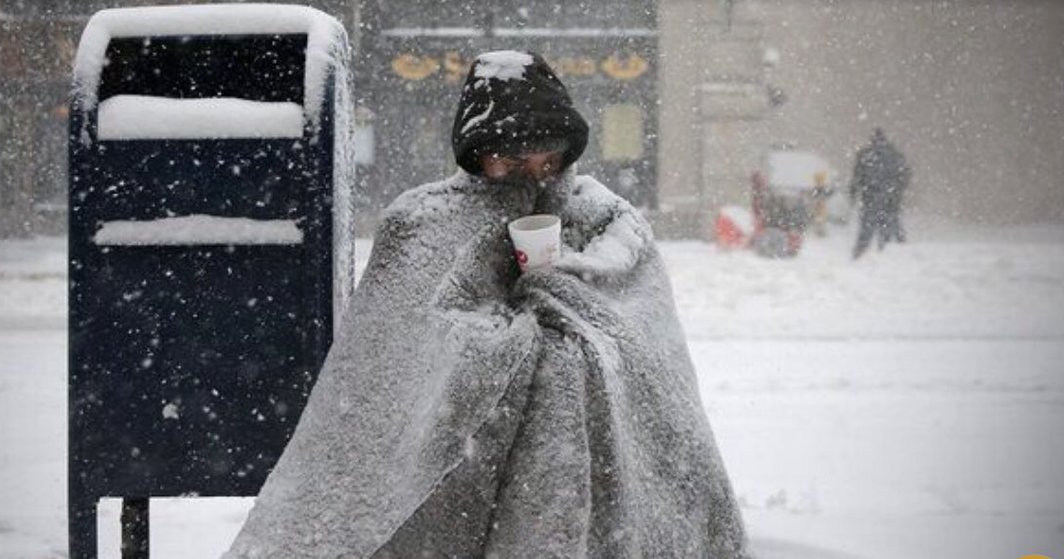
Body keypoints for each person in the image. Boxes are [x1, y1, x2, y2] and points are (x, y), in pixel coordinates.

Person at [223, 51, 747, 558]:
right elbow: (391, 372)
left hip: (591, 480)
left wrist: (559, 303)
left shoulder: (606, 221)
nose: (536, 174)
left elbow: (649, 363)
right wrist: (506, 330)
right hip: (457, 480)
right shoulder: (422, 224)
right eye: (513, 161)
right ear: (477, 156)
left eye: (550, 158)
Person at [850, 127, 911, 259]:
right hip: (890, 202)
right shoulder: (895, 156)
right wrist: (896, 192)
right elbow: (904, 177)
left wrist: (853, 195)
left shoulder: (865, 155)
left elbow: (857, 178)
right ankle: (888, 256)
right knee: (889, 230)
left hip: (870, 199)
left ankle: (858, 256)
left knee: (866, 232)